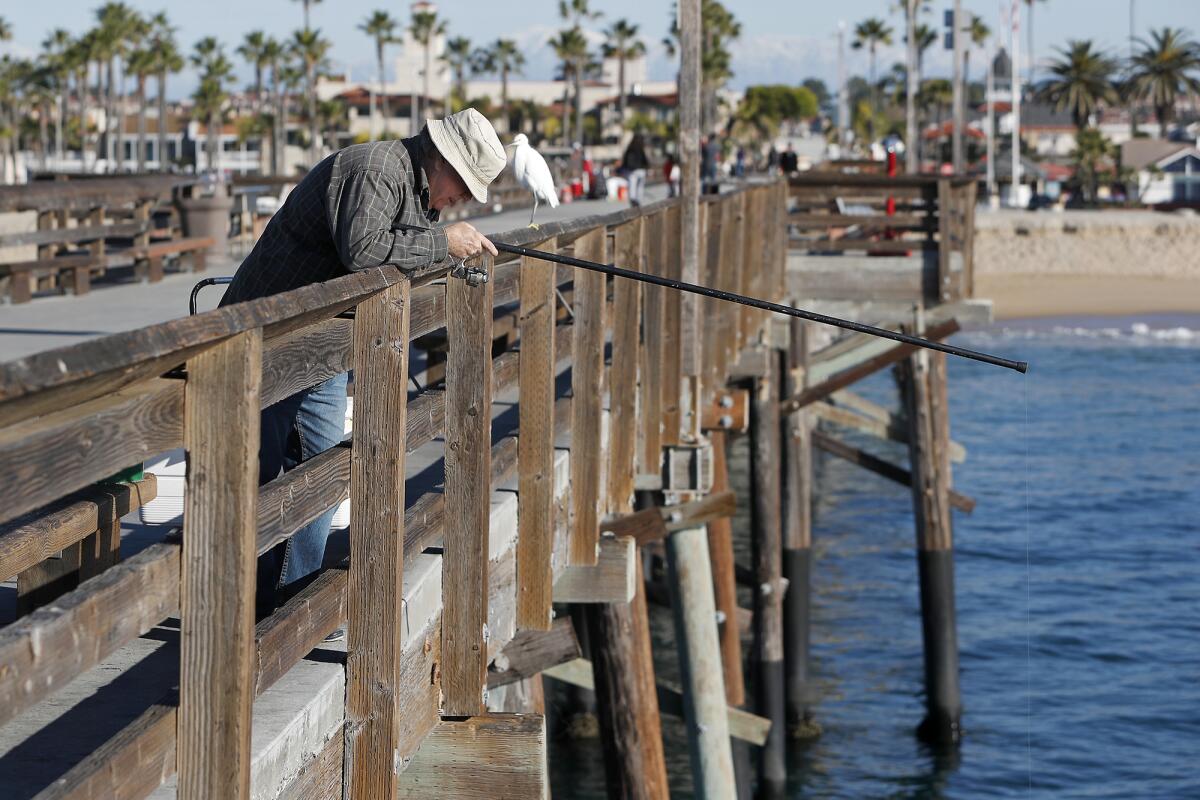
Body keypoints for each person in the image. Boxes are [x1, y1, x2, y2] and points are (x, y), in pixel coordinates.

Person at [220, 108, 505, 628]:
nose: (461, 200)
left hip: (323, 347)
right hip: (267, 341)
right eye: (463, 186)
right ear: (442, 160)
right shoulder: (376, 167)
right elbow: (366, 251)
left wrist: (446, 248)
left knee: (326, 477)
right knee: (254, 478)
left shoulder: (416, 189)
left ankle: (290, 611)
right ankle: (239, 614)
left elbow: (394, 254)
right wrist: (443, 242)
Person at [620, 133, 650, 207]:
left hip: (633, 171)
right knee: (640, 187)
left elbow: (626, 161)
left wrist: (625, 168)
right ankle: (638, 201)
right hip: (641, 171)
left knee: (632, 186)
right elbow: (645, 161)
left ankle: (633, 200)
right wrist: (646, 167)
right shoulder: (641, 148)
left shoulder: (630, 149)